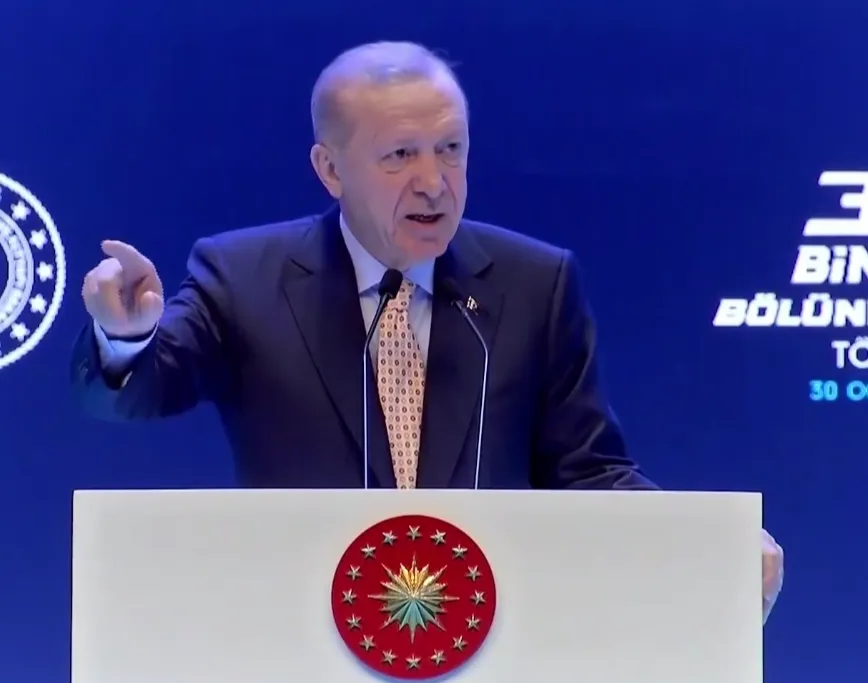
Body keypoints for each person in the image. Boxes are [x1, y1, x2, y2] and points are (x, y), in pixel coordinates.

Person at [71, 41, 783, 620]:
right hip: (297, 639)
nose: (435, 182)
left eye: (450, 148)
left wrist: (701, 544)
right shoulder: (243, 275)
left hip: (485, 644)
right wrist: (124, 336)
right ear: (330, 169)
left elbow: (587, 470)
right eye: (400, 155)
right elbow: (135, 393)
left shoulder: (533, 283)